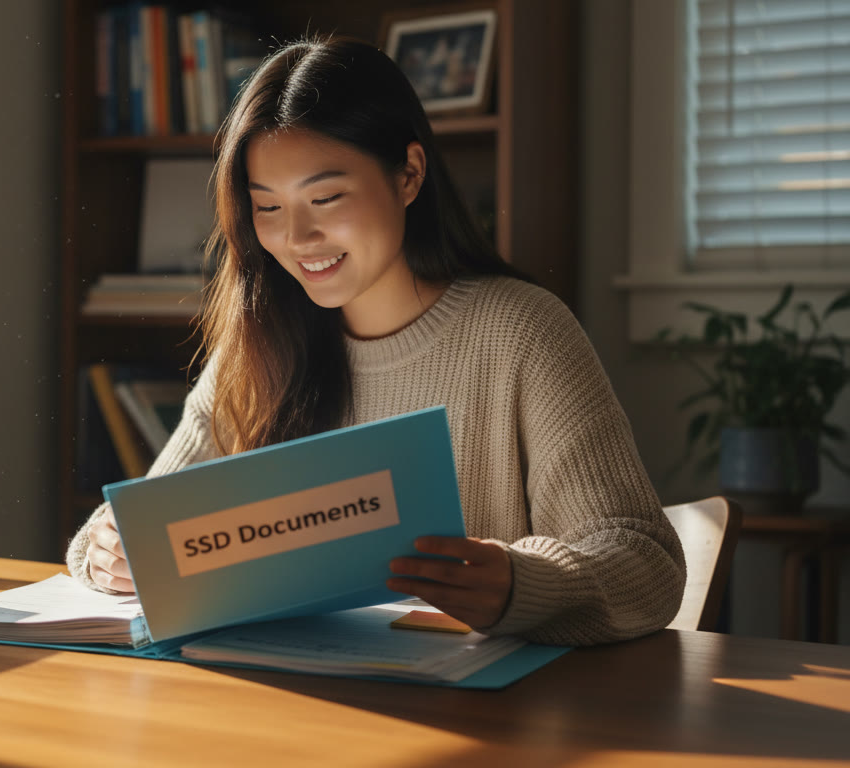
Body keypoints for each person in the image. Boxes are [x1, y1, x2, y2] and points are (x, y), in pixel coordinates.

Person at [66, 36, 684, 647]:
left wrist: (523, 583)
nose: (298, 236)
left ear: (409, 174)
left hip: (480, 718)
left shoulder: (521, 331)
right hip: (295, 704)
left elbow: (644, 561)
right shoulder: (261, 337)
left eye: (326, 198)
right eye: (268, 208)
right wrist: (106, 551)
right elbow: (148, 520)